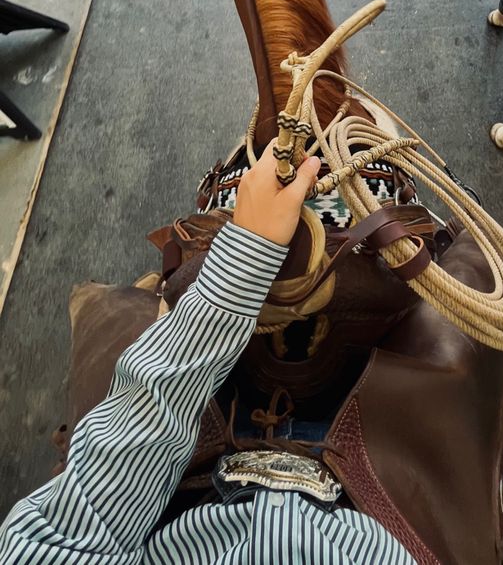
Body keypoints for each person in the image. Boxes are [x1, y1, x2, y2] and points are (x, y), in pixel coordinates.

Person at [0, 145, 415, 563]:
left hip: (179, 502)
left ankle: (147, 293)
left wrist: (241, 266)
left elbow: (78, 522)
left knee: (110, 316)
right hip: (398, 512)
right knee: (465, 283)